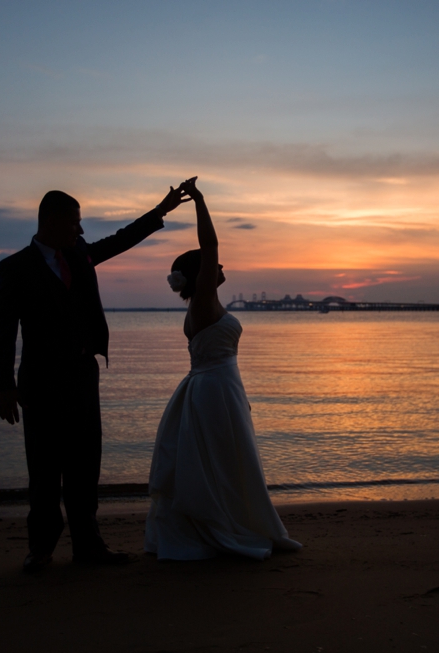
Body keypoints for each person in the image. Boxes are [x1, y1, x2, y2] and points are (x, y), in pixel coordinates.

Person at [0, 183, 190, 572]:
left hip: (83, 378)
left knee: (85, 466)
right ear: (51, 221)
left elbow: (122, 239)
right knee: (45, 471)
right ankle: (41, 549)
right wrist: (4, 388)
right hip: (40, 385)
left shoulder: (80, 254)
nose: (80, 232)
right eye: (74, 223)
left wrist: (162, 208)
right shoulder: (15, 268)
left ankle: (88, 546)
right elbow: (3, 331)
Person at [145, 178, 301, 560]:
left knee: (229, 462)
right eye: (214, 265)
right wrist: (199, 200)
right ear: (202, 274)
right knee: (224, 463)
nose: (222, 265)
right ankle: (229, 528)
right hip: (214, 390)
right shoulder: (202, 302)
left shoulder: (203, 305)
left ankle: (240, 522)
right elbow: (211, 246)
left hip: (219, 387)